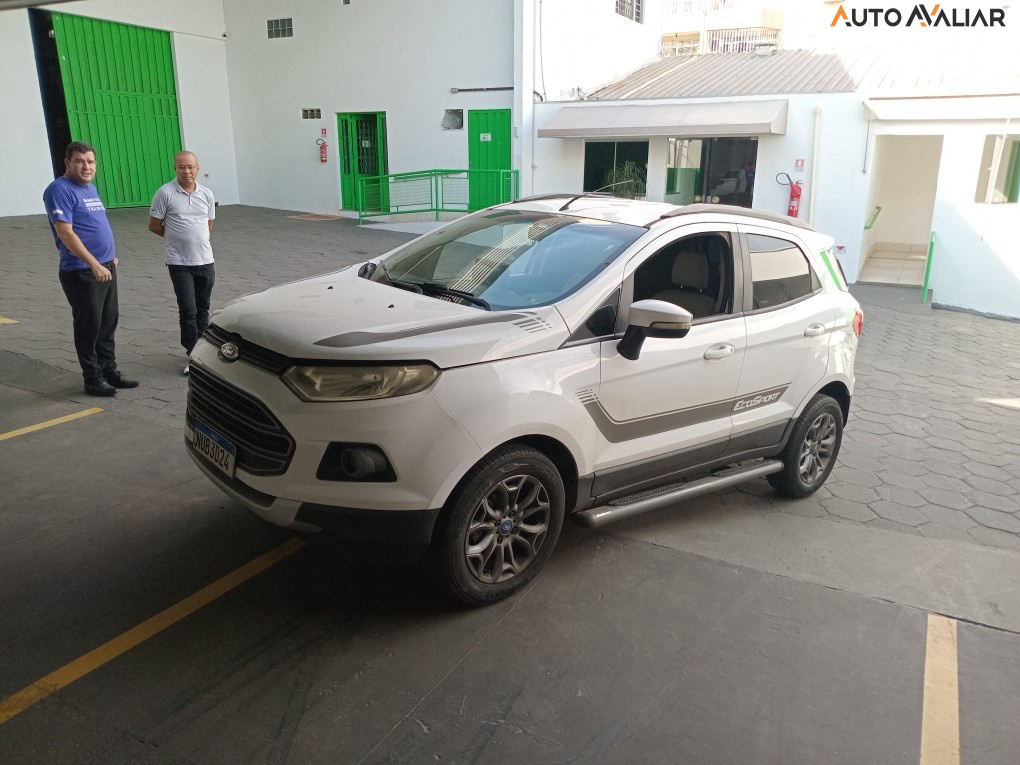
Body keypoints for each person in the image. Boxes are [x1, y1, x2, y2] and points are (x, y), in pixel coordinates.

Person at [44, 141, 139, 397]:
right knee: (89, 327)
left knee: (107, 323)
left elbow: (93, 225)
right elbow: (65, 232)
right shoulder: (59, 189)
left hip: (105, 267)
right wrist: (94, 263)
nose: (86, 166)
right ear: (67, 162)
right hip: (82, 271)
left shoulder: (90, 188)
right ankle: (92, 378)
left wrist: (109, 258)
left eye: (90, 161)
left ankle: (109, 371)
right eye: (80, 161)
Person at [148, 150, 216, 376]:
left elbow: (208, 224)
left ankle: (204, 353)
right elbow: (154, 225)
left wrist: (196, 239)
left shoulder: (206, 194)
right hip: (179, 263)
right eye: (181, 167)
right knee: (188, 310)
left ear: (198, 168)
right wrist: (176, 240)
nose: (186, 171)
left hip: (205, 261)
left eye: (190, 167)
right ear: (175, 168)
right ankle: (193, 355)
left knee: (203, 309)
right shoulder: (165, 193)